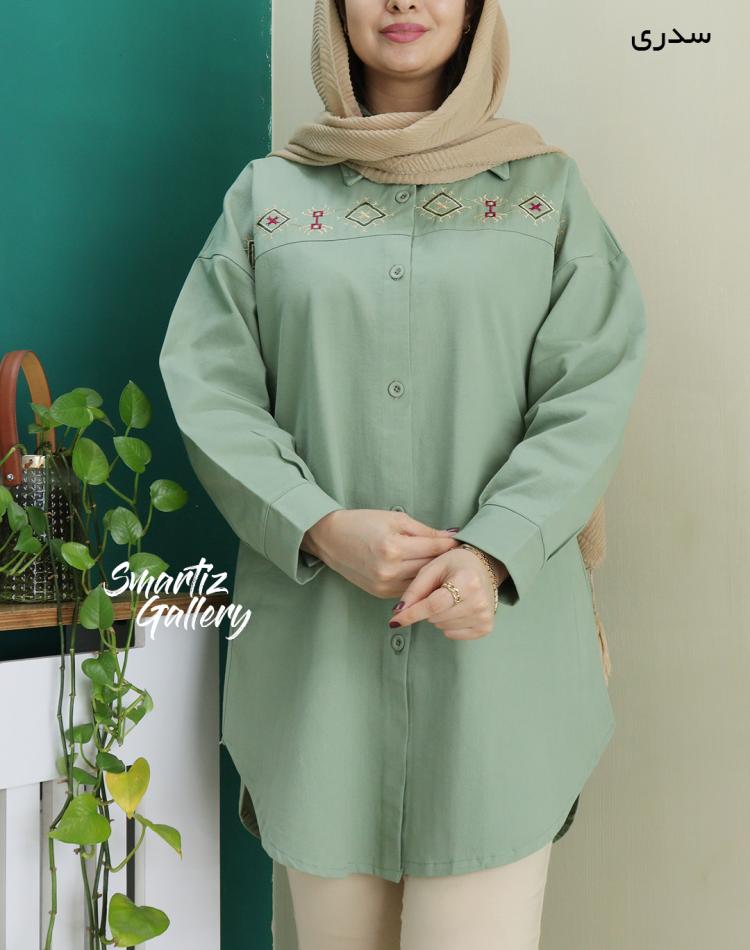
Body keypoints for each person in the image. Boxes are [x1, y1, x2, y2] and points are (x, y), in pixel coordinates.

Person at [158, 0, 648, 946]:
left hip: (498, 675)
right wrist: (315, 523)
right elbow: (210, 387)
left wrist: (493, 552)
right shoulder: (266, 196)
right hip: (316, 679)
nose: (404, 2)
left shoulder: (547, 195)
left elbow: (590, 391)